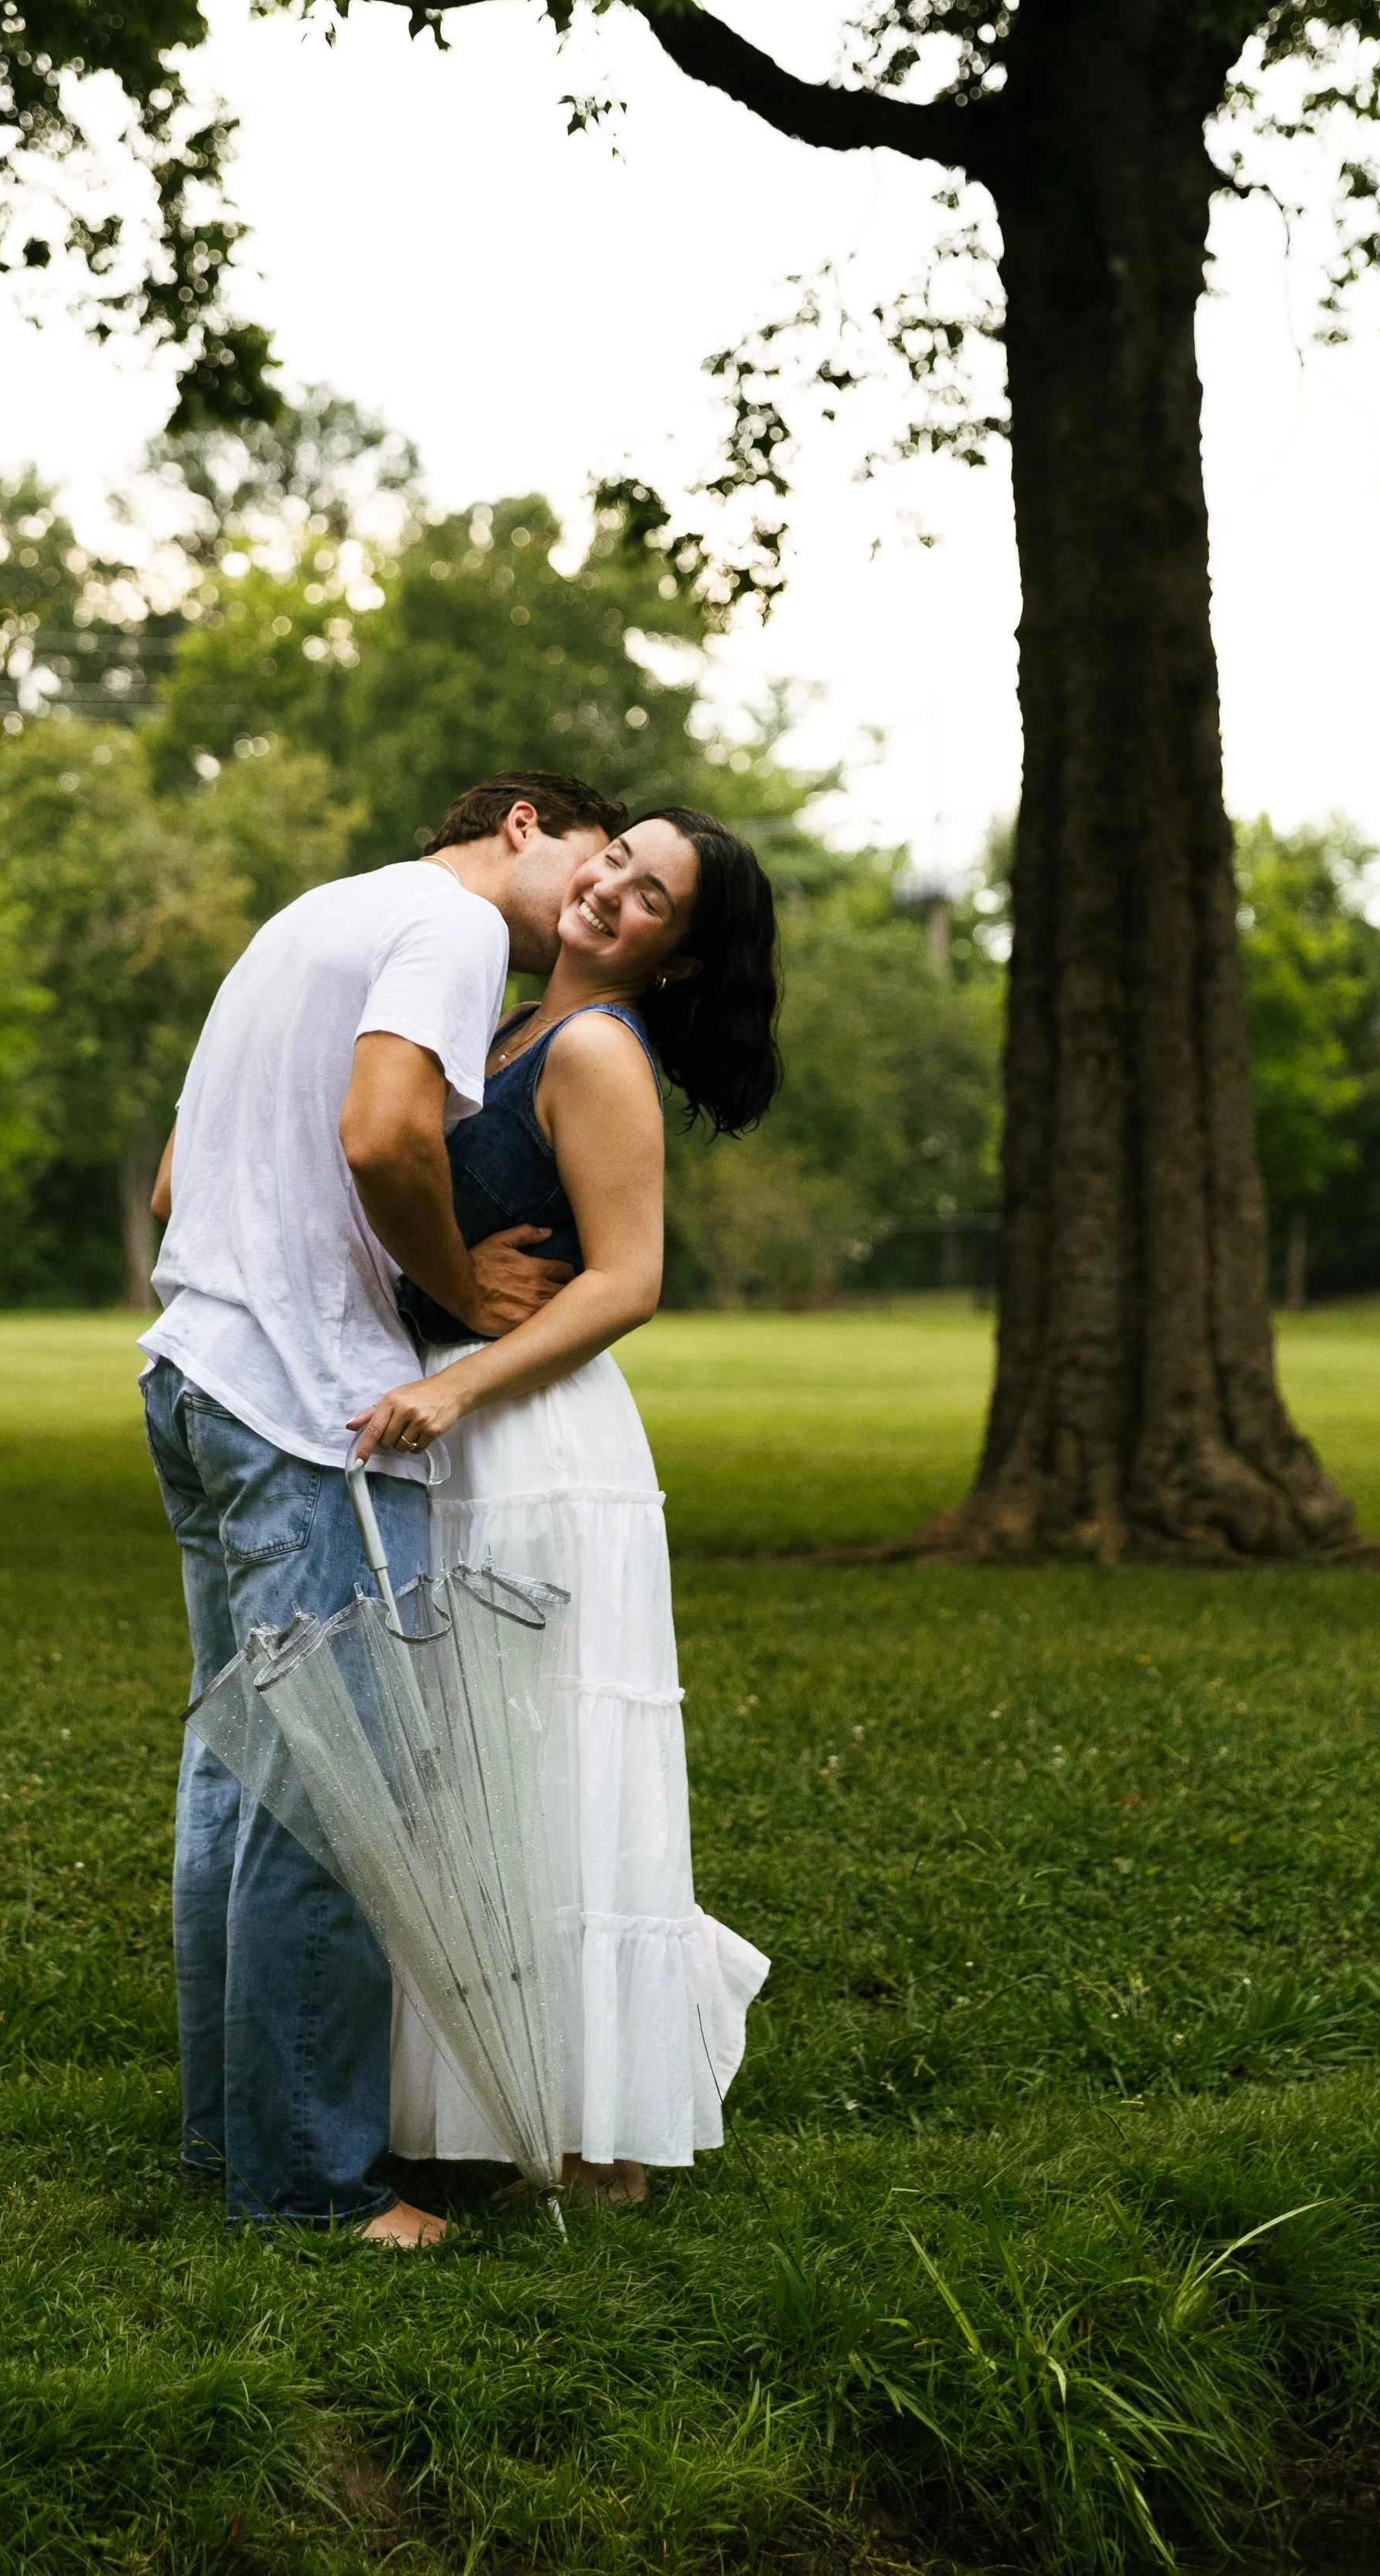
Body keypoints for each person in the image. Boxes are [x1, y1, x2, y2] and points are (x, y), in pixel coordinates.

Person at [140, 771, 624, 2246]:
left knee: (243, 1774)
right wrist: (463, 1283)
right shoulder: (448, 922)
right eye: (596, 863)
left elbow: (170, 1188)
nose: (582, 917)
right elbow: (383, 1134)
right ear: (527, 822)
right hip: (309, 1408)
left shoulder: (310, 919)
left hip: (194, 1374)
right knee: (344, 1796)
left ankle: (232, 2144)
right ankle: (310, 2189)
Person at [351, 806, 782, 2206]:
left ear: (676, 958)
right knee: (477, 1767)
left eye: (650, 896)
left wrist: (465, 1383)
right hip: (466, 1429)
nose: (608, 890)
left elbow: (627, 1279)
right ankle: (488, 2106)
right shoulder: (500, 1030)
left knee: (548, 1766)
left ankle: (594, 2140)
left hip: (539, 1442)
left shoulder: (595, 1050)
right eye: (616, 860)